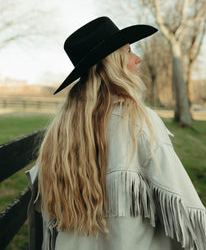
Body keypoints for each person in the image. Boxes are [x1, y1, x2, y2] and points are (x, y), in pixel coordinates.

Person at [27, 16, 206, 250]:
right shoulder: (139, 121)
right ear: (112, 63)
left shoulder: (59, 132)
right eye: (129, 51)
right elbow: (184, 208)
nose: (137, 58)